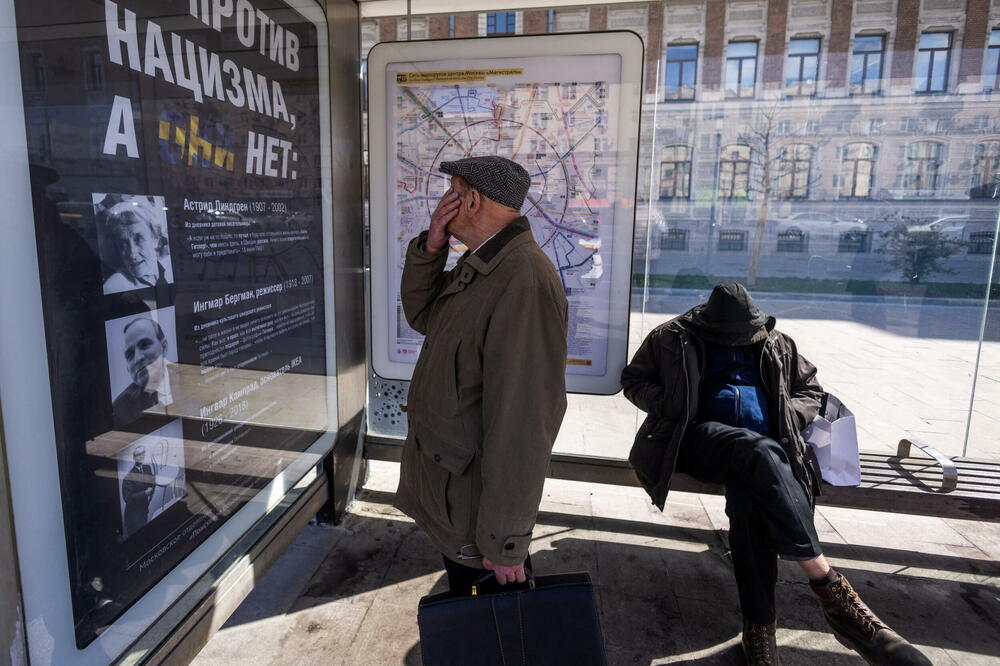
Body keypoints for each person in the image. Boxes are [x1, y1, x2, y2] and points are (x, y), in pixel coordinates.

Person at [621, 283, 929, 665]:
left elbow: (811, 390)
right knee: (757, 450)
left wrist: (789, 415)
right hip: (698, 440)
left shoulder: (777, 341)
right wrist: (670, 403)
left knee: (752, 502)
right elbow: (633, 381)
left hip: (765, 450)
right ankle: (831, 589)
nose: (738, 341)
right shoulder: (672, 337)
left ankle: (760, 630)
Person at [395, 156, 568, 594]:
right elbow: (424, 316)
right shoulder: (486, 263)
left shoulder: (523, 279)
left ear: (472, 200)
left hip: (477, 516)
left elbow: (523, 425)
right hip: (454, 496)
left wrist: (505, 541)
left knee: (495, 635)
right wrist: (431, 249)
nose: (443, 203)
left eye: (452, 192)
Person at [98, 195, 173, 294]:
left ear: (155, 237)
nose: (132, 253)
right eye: (123, 243)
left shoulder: (169, 269)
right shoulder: (115, 287)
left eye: (138, 239)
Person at [112, 317, 175, 429]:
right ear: (127, 368)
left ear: (164, 347)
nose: (137, 358)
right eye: (130, 355)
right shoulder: (119, 411)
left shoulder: (191, 379)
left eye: (144, 345)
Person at [121, 445, 155, 538]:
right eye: (138, 455)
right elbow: (128, 498)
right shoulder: (128, 477)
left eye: (143, 453)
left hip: (144, 511)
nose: (141, 456)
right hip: (133, 517)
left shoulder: (147, 468)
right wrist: (145, 493)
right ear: (134, 457)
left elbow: (151, 483)